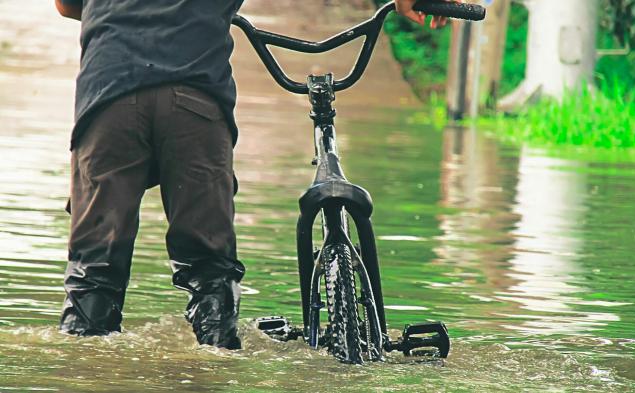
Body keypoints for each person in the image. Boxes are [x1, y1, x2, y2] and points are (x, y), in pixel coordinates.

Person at [54, 0, 448, 350]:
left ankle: (84, 361)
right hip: (193, 101)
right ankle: (217, 355)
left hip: (109, 98)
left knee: (95, 267)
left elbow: (67, 6)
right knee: (209, 265)